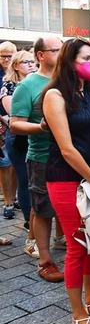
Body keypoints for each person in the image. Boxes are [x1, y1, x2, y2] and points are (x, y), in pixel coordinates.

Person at [41, 38, 90, 324]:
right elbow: (67, 149)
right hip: (65, 177)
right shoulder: (54, 95)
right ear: (70, 61)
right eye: (87, 57)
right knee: (77, 244)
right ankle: (77, 314)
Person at [11, 36, 66, 281]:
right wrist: (42, 126)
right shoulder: (28, 85)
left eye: (62, 49)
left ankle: (63, 242)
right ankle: (45, 260)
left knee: (69, 206)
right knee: (43, 209)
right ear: (41, 55)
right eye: (55, 49)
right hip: (42, 156)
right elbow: (15, 125)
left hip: (71, 155)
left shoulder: (69, 80)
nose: (61, 53)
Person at [1, 51, 36, 245]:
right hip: (18, 139)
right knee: (25, 179)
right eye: (26, 62)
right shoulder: (8, 86)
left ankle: (37, 218)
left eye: (33, 61)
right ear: (15, 65)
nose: (31, 65)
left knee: (36, 180)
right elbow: (14, 112)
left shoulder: (39, 82)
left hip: (36, 138)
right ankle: (28, 220)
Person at [0, 41, 18, 220]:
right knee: (5, 164)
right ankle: (8, 202)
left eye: (9, 55)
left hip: (18, 125)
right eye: (2, 55)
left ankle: (16, 196)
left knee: (16, 165)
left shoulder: (21, 73)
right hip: (2, 124)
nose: (6, 59)